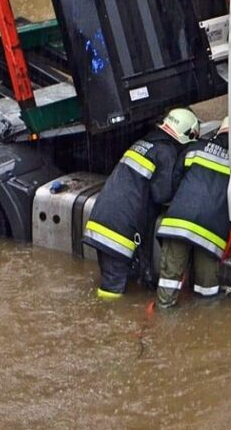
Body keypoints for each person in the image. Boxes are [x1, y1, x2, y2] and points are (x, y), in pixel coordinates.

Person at [83, 108, 199, 300]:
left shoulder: (145, 143)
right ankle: (105, 321)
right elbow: (161, 194)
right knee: (112, 293)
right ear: (188, 134)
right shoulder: (166, 152)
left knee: (120, 281)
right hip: (118, 232)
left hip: (103, 219)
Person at [155, 117, 231, 310]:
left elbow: (174, 182)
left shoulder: (195, 147)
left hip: (179, 222)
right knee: (207, 294)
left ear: (219, 131)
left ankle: (163, 320)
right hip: (210, 233)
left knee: (169, 283)